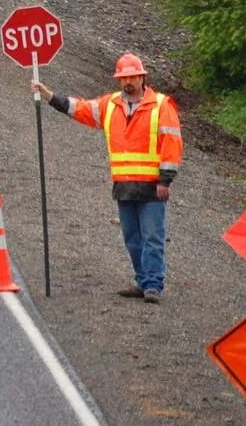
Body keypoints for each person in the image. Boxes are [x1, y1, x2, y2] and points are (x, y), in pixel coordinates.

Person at [33, 52, 182, 303]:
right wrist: (49, 96)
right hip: (123, 185)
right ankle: (141, 280)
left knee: (152, 237)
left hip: (151, 187)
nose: (128, 82)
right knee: (132, 238)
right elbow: (79, 109)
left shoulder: (160, 105)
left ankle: (153, 285)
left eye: (132, 76)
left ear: (142, 76)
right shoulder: (110, 105)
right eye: (123, 78)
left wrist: (165, 180)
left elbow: (172, 142)